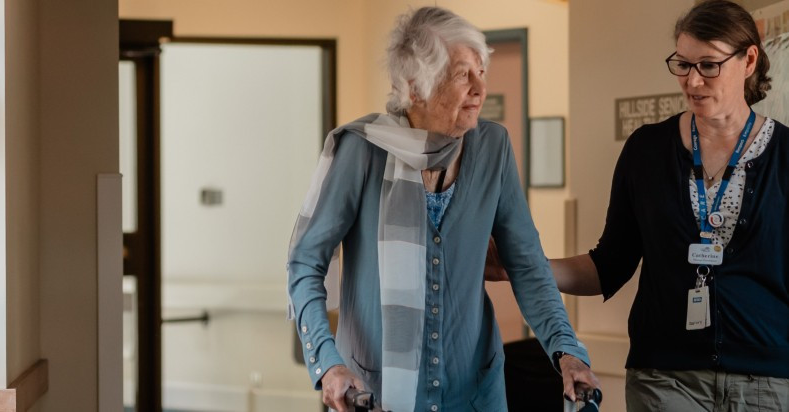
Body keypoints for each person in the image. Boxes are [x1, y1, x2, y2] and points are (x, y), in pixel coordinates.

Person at [285, 6, 599, 412]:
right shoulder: (362, 150)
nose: (479, 88)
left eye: (481, 71)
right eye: (460, 74)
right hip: (374, 391)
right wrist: (327, 365)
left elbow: (526, 264)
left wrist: (567, 351)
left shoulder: (493, 147)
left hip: (474, 390)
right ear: (415, 87)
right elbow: (305, 263)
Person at [534, 1, 789, 410]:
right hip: (664, 379)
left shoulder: (785, 155)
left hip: (768, 383)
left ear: (749, 60)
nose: (692, 81)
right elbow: (610, 264)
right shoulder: (646, 150)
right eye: (682, 64)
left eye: (708, 65)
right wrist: (525, 265)